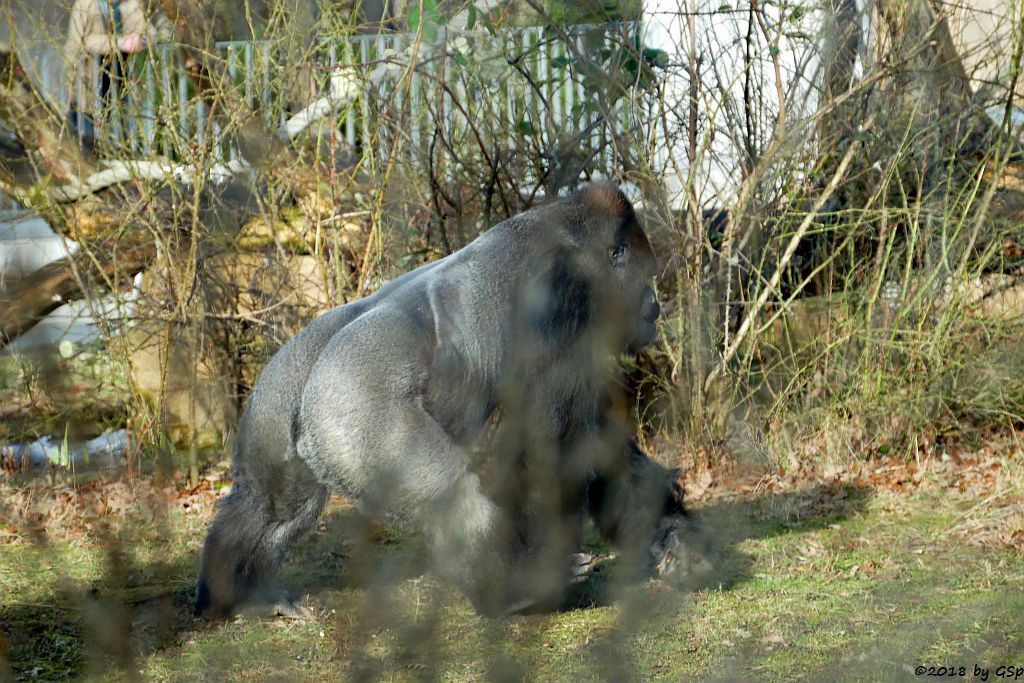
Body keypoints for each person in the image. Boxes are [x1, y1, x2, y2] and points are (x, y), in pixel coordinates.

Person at [63, 0, 164, 150]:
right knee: (86, 142)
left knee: (121, 136)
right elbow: (80, 41)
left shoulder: (130, 4)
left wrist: (139, 39)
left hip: (121, 83)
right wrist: (118, 43)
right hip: (88, 83)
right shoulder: (85, 4)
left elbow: (150, 33)